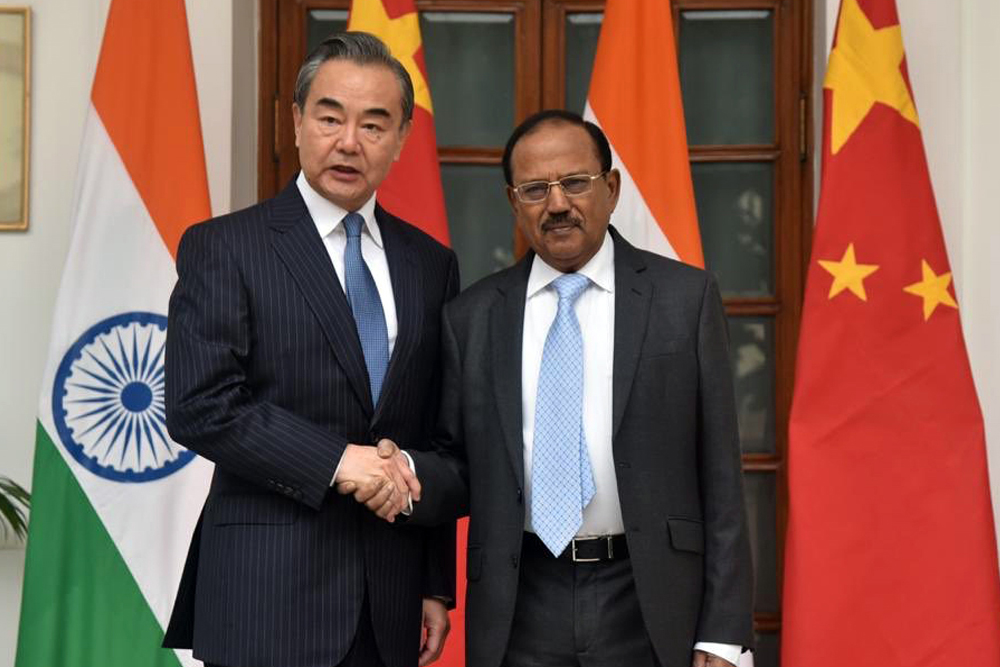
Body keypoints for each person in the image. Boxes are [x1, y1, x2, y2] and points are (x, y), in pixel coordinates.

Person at [382, 110, 754, 667]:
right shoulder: (472, 317)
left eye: (575, 183)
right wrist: (405, 470)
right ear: (514, 203)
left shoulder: (684, 299)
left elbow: (720, 471)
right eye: (535, 190)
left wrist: (723, 632)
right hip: (520, 600)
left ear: (611, 188)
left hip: (649, 596)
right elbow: (458, 464)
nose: (557, 204)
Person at [162, 32, 458, 667]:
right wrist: (338, 461)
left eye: (374, 125)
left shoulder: (431, 264)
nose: (349, 142)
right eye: (330, 118)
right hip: (265, 598)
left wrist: (434, 582)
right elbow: (200, 405)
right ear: (297, 121)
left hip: (389, 601)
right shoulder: (225, 247)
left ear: (402, 138)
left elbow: (435, 428)